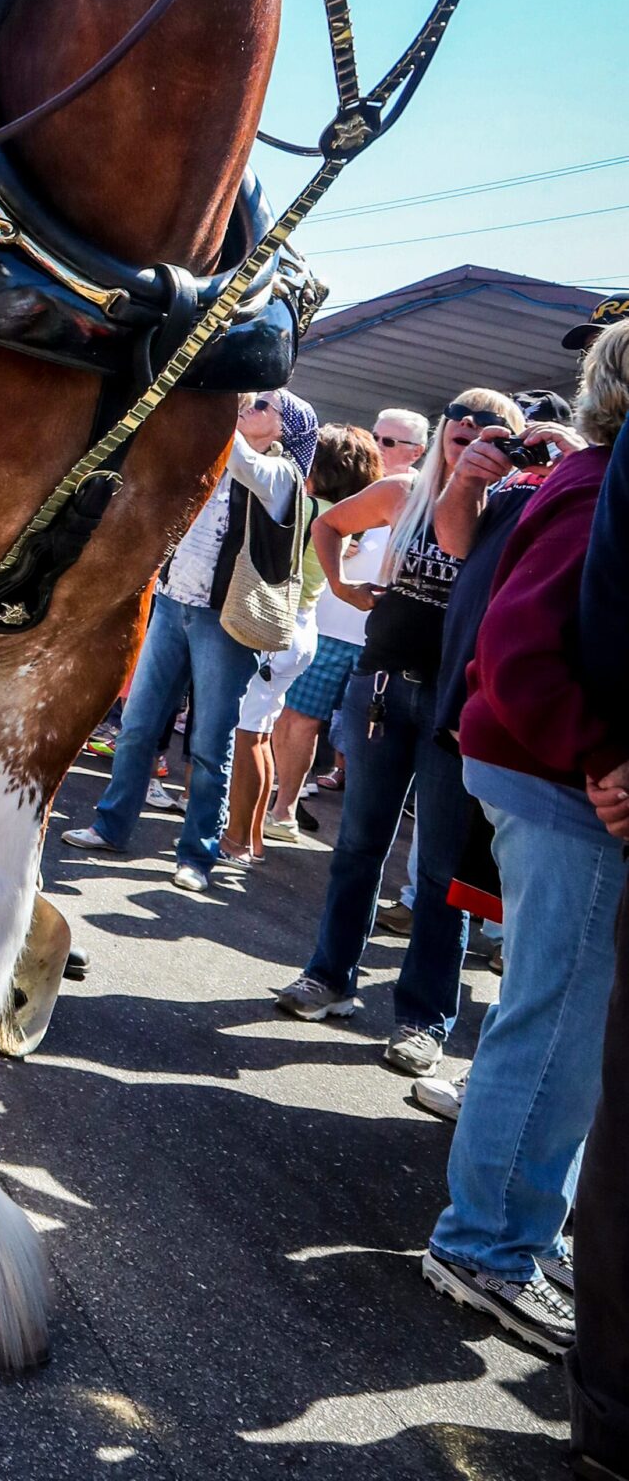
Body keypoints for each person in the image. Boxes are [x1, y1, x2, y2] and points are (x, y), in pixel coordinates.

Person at [420, 324, 629, 1357]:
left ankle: (509, 1231)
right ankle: (482, 1248)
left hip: (546, 773)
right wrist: (598, 754)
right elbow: (514, 647)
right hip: (556, 782)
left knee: (553, 1018)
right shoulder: (598, 486)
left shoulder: (588, 475)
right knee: (549, 1022)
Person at [272, 386, 523, 1074]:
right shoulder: (403, 489)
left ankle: (423, 1022)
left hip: (452, 709)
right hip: (380, 688)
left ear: (510, 443)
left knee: (442, 873)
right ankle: (328, 978)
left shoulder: (509, 509)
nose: (470, 432)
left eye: (490, 427)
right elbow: (327, 526)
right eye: (460, 421)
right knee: (357, 846)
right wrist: (346, 589)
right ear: (443, 429)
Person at [63, 389, 318, 893]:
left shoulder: (282, 475)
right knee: (137, 726)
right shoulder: (222, 454)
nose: (250, 406)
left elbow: (242, 461)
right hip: (174, 603)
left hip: (225, 621)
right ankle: (110, 827)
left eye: (263, 405)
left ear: (284, 430)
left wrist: (222, 399)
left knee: (209, 744)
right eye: (250, 401)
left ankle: (198, 856)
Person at [226, 423, 381, 860]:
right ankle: (254, 835)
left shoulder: (308, 509)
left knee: (249, 736)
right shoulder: (340, 518)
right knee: (260, 734)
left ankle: (237, 841)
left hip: (276, 630)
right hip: (299, 631)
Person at [271, 410, 425, 829]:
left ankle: (355, 827)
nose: (379, 444)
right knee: (298, 719)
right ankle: (283, 808)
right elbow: (321, 531)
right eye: (376, 436)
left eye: (390, 442)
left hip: (379, 640)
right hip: (327, 628)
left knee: (370, 742)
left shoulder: (420, 498)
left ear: (418, 452)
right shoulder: (346, 489)